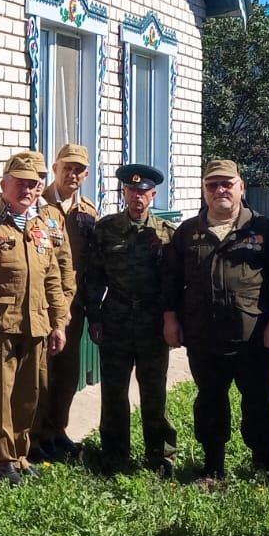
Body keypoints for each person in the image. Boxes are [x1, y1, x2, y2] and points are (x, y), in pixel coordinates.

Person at [163, 159, 269, 485]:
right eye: (213, 185)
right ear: (204, 190)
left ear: (241, 187)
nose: (220, 190)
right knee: (209, 400)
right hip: (203, 335)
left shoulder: (262, 229)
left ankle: (263, 464)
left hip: (253, 335)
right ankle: (213, 468)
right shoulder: (188, 232)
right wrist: (170, 319)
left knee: (259, 401)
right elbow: (170, 281)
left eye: (227, 184)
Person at [0, 152, 68, 486]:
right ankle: (1, 460)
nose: (27, 190)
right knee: (0, 396)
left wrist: (59, 323)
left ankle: (21, 454)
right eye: (20, 183)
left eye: (33, 184)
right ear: (4, 184)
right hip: (0, 324)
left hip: (37, 324)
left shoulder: (42, 226)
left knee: (30, 394)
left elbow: (52, 277)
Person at [83, 164, 177, 475]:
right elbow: (94, 276)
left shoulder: (165, 234)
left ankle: (160, 455)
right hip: (117, 319)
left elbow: (174, 284)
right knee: (114, 392)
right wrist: (94, 316)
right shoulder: (106, 229)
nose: (138, 197)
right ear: (124, 192)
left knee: (154, 391)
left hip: (152, 323)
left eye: (144, 191)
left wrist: (171, 321)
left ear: (153, 194)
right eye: (132, 190)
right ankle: (113, 455)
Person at [34, 143, 93, 460]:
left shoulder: (88, 212)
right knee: (43, 374)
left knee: (68, 373)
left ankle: (58, 430)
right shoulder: (38, 206)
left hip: (75, 305)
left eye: (79, 170)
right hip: (43, 305)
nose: (73, 174)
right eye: (67, 167)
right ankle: (37, 435)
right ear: (55, 169)